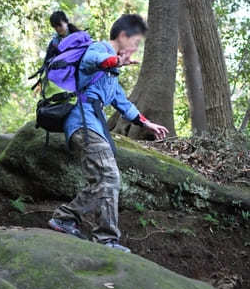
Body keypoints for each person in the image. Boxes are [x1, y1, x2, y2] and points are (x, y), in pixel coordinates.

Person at [48, 14, 168, 253]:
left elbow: (122, 102)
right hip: (83, 123)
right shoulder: (98, 49)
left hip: (94, 125)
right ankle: (104, 239)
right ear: (123, 36)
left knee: (104, 180)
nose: (135, 48)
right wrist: (115, 61)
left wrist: (147, 124)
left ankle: (66, 218)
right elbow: (97, 60)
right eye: (135, 42)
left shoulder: (112, 75)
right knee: (109, 178)